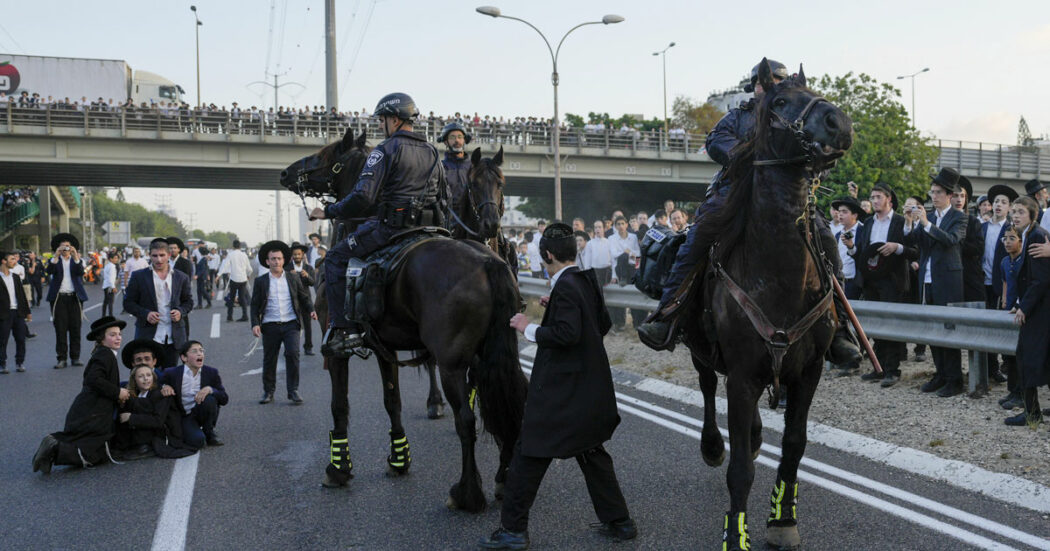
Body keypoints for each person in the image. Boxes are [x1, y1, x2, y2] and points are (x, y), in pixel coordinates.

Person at [637, 58, 861, 370]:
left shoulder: (794, 115)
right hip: (734, 196)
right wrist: (748, 154)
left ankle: (838, 330)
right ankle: (668, 314)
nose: (773, 86)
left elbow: (812, 150)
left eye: (782, 81)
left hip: (790, 203)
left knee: (826, 240)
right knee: (697, 238)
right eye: (767, 82)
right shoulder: (738, 116)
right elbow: (715, 141)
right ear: (755, 86)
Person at [481, 224, 635, 549]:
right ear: (574, 251)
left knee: (528, 453)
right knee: (591, 452)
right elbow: (601, 324)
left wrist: (529, 328)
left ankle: (512, 531)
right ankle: (620, 523)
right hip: (590, 391)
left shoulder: (566, 288)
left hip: (562, 394)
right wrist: (555, 307)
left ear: (547, 255)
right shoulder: (585, 282)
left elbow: (568, 334)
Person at [308, 92, 445, 356]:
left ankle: (343, 331)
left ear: (394, 119)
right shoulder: (432, 152)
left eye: (382, 121)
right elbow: (444, 197)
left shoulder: (384, 150)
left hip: (392, 229)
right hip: (430, 230)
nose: (380, 126)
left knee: (335, 258)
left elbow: (363, 196)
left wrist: (329, 211)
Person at [32, 316, 128, 474]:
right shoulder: (105, 355)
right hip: (93, 410)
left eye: (119, 334)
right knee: (92, 452)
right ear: (101, 338)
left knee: (85, 442)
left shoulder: (103, 353)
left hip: (91, 409)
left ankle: (52, 450)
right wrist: (117, 392)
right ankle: (54, 447)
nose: (118, 337)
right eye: (112, 334)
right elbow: (93, 379)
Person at [904, 168, 968, 398]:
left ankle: (954, 378)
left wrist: (927, 224)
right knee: (933, 329)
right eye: (932, 192)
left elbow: (951, 240)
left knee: (948, 329)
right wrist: (910, 223)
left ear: (949, 195)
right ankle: (940, 373)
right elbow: (916, 241)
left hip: (948, 279)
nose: (934, 196)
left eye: (938, 192)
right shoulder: (929, 216)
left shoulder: (959, 217)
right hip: (928, 278)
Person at [848, 183, 918, 387]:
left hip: (892, 280)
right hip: (870, 279)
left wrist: (897, 248)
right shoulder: (868, 222)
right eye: (872, 197)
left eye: (878, 197)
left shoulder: (899, 222)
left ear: (889, 199)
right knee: (875, 325)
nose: (874, 200)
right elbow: (861, 252)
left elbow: (915, 251)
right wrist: (852, 249)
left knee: (891, 324)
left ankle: (892, 370)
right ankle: (878, 368)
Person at [251, 241, 315, 405]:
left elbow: (304, 297)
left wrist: (311, 310)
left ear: (283, 260)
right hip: (270, 325)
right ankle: (268, 392)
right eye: (273, 259)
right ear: (267, 261)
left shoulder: (293, 278)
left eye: (279, 259)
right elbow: (255, 305)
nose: (276, 262)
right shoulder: (261, 281)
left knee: (293, 354)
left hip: (290, 324)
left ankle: (293, 390)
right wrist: (255, 323)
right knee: (269, 359)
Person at [1004, 196, 1050, 426]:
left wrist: (1025, 307)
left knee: (1026, 357)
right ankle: (1032, 411)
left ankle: (1032, 413)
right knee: (1036, 358)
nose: (1015, 215)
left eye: (1021, 211)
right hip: (1038, 308)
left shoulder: (1036, 236)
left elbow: (1040, 280)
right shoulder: (1030, 235)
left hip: (1041, 311)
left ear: (1033, 215)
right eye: (1013, 211)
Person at [123, 238, 193, 368]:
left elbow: (188, 302)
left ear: (168, 255)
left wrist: (180, 311)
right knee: (145, 378)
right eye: (155, 256)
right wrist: (146, 314)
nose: (159, 260)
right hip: (148, 335)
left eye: (162, 255)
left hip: (173, 336)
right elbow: (128, 303)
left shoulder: (181, 277)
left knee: (169, 378)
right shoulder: (139, 277)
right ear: (149, 255)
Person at [157, 341, 228, 449]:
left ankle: (209, 431)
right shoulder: (171, 373)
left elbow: (224, 398)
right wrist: (164, 386)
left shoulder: (211, 372)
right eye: (194, 351)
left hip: (200, 411)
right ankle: (194, 431)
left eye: (201, 351)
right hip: (184, 415)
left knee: (210, 399)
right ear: (184, 358)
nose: (200, 354)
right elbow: (157, 385)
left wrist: (211, 389)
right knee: (197, 441)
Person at [46, 233, 88, 369]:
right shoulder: (54, 260)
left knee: (76, 328)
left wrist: (76, 256)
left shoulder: (76, 260)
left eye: (68, 246)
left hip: (74, 297)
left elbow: (80, 272)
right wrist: (56, 256)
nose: (65, 248)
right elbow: (49, 271)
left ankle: (75, 357)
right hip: (59, 298)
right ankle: (61, 358)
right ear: (58, 248)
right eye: (63, 246)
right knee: (60, 329)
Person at [998, 225, 1024, 410]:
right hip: (1009, 311)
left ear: (1021, 241)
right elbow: (1005, 281)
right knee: (1009, 355)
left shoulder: (1026, 261)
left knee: (1020, 355)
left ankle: (1021, 392)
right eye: (1005, 238)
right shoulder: (1005, 262)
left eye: (1012, 238)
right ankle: (1012, 391)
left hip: (1022, 311)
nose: (1007, 242)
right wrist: (1005, 300)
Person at [0, 251, 31, 374]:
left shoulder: (15, 277)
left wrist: (27, 312)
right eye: (12, 259)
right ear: (4, 261)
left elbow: (21, 295)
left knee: (20, 339)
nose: (15, 261)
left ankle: (20, 362)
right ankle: (2, 364)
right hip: (3, 314)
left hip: (18, 313)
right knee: (2, 340)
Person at [289, 242, 317, 355]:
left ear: (303, 254)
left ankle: (308, 347)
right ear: (292, 255)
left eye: (298, 254)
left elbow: (312, 282)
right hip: (292, 300)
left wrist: (307, 276)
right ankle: (292, 347)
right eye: (294, 254)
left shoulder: (308, 268)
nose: (296, 256)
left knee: (308, 325)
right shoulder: (287, 268)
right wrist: (290, 275)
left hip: (306, 300)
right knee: (293, 325)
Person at [438, 121, 472, 212]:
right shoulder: (440, 167)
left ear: (464, 140)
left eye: (460, 137)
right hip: (447, 216)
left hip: (469, 217)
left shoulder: (473, 167)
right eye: (452, 137)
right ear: (446, 142)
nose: (457, 140)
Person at [225, 240, 252, 322]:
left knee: (231, 298)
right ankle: (245, 315)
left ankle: (230, 316)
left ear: (233, 246)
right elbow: (250, 269)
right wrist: (248, 275)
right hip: (243, 279)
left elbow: (226, 266)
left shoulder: (230, 255)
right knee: (242, 298)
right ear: (240, 246)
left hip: (234, 279)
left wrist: (219, 275)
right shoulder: (244, 255)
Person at [101, 251, 120, 318]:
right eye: (115, 258)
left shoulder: (107, 265)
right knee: (110, 302)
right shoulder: (112, 267)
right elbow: (111, 278)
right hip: (109, 286)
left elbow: (104, 275)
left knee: (106, 301)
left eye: (117, 258)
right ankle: (110, 316)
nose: (116, 259)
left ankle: (103, 315)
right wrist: (113, 287)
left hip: (105, 285)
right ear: (110, 259)